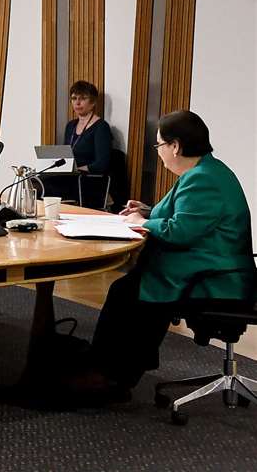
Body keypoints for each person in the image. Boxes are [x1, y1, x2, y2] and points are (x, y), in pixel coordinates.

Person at [65, 110, 256, 402]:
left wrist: (142, 223)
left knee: (129, 292)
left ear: (175, 146)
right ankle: (115, 370)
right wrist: (148, 211)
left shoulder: (202, 179)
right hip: (208, 267)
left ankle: (110, 376)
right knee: (128, 288)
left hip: (216, 281)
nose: (159, 153)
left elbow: (181, 230)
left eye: (159, 146)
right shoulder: (206, 171)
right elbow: (189, 216)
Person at [62, 80, 113, 175]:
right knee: (35, 180)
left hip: (88, 177)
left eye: (82, 99)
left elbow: (101, 164)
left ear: (93, 102)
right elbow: (65, 157)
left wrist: (77, 170)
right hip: (69, 175)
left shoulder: (101, 127)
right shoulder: (70, 126)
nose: (77, 103)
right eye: (74, 98)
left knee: (42, 185)